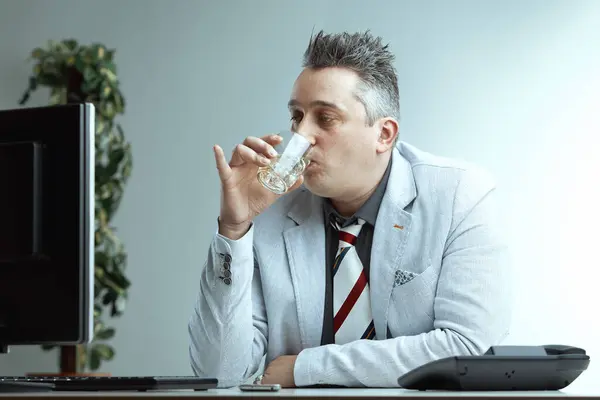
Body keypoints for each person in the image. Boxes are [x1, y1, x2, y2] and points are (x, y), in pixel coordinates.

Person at [188, 30, 511, 388]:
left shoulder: (460, 196)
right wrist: (233, 229)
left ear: (384, 135)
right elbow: (217, 373)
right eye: (297, 115)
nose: (301, 135)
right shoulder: (269, 211)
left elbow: (466, 350)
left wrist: (307, 368)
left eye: (325, 118)